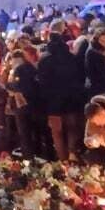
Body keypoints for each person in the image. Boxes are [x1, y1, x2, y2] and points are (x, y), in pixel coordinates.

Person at [38, 31, 86, 162]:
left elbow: (42, 83)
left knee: (57, 133)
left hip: (53, 102)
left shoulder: (44, 59)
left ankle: (63, 159)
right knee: (72, 128)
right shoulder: (71, 57)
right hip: (71, 99)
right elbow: (79, 77)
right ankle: (72, 154)